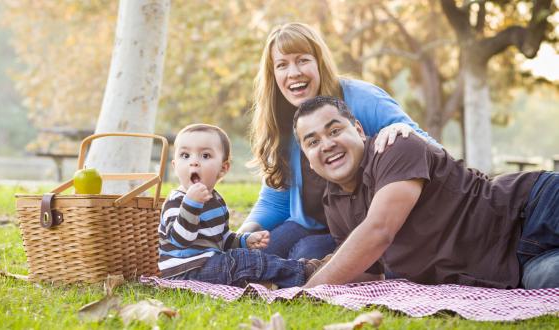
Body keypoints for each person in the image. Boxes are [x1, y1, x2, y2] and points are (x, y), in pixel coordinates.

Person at [293, 95, 559, 289]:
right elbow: (368, 271)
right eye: (313, 141)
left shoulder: (395, 148)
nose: (327, 144)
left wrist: (308, 291)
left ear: (359, 131)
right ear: (308, 158)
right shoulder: (334, 201)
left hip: (531, 209)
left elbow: (379, 230)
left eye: (335, 130)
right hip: (512, 266)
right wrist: (305, 272)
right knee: (549, 280)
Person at [238, 22, 438, 262]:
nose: (293, 73)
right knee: (246, 256)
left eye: (302, 60)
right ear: (274, 75)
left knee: (304, 253)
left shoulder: (365, 99)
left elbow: (431, 150)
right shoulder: (280, 119)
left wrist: (403, 130)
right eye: (282, 65)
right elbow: (275, 199)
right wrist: (242, 235)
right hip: (311, 224)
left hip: (367, 224)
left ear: (319, 62)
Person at [158, 124, 322, 288]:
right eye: (185, 155)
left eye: (205, 156)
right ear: (174, 166)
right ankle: (305, 272)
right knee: (244, 261)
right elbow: (180, 241)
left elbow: (223, 239)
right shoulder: (176, 201)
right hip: (185, 272)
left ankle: (278, 279)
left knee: (247, 257)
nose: (193, 162)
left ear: (223, 169)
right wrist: (191, 204)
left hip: (210, 265)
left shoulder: (216, 201)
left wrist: (245, 240)